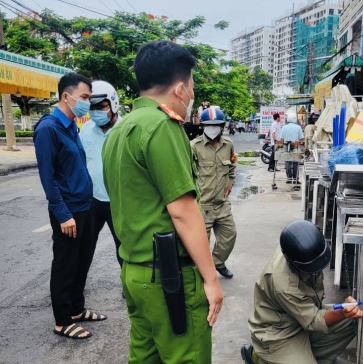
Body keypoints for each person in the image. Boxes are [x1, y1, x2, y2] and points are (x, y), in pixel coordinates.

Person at [102, 40, 224, 363]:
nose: (191, 96)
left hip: (133, 273)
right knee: (187, 356)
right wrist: (211, 280)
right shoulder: (163, 127)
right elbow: (184, 212)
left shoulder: (117, 131)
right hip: (170, 278)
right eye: (192, 87)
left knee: (145, 357)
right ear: (180, 89)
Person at [34, 72, 107, 340]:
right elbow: (48, 177)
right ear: (67, 96)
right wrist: (63, 215)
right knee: (65, 265)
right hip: (68, 212)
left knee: (82, 262)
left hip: (85, 206)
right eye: (85, 97)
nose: (88, 102)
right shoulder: (48, 128)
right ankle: (63, 321)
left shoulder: (71, 126)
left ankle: (77, 310)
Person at [241, 220, 362, 364]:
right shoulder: (284, 284)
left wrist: (347, 312)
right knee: (345, 315)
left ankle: (309, 357)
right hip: (279, 334)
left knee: (354, 319)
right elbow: (314, 320)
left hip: (300, 316)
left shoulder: (299, 245)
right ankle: (259, 357)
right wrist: (343, 311)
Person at [79, 80, 123, 269]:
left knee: (124, 248)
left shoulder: (125, 129)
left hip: (119, 203)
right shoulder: (86, 130)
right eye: (92, 107)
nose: (96, 111)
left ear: (113, 104)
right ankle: (77, 287)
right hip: (93, 201)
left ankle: (128, 284)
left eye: (101, 106)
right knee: (85, 247)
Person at [191, 106, 237, 279]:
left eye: (216, 124)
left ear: (222, 126)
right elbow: (188, 173)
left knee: (229, 236)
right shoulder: (194, 147)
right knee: (200, 244)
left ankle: (218, 262)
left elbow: (232, 166)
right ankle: (202, 273)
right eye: (208, 125)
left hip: (222, 203)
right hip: (203, 205)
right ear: (202, 126)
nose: (212, 128)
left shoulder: (228, 145)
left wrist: (230, 182)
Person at [279, 112, 304, 183]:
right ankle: (295, 179)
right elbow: (302, 139)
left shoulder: (284, 127)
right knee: (296, 163)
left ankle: (289, 178)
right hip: (295, 145)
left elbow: (281, 139)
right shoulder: (298, 127)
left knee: (288, 162)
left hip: (286, 145)